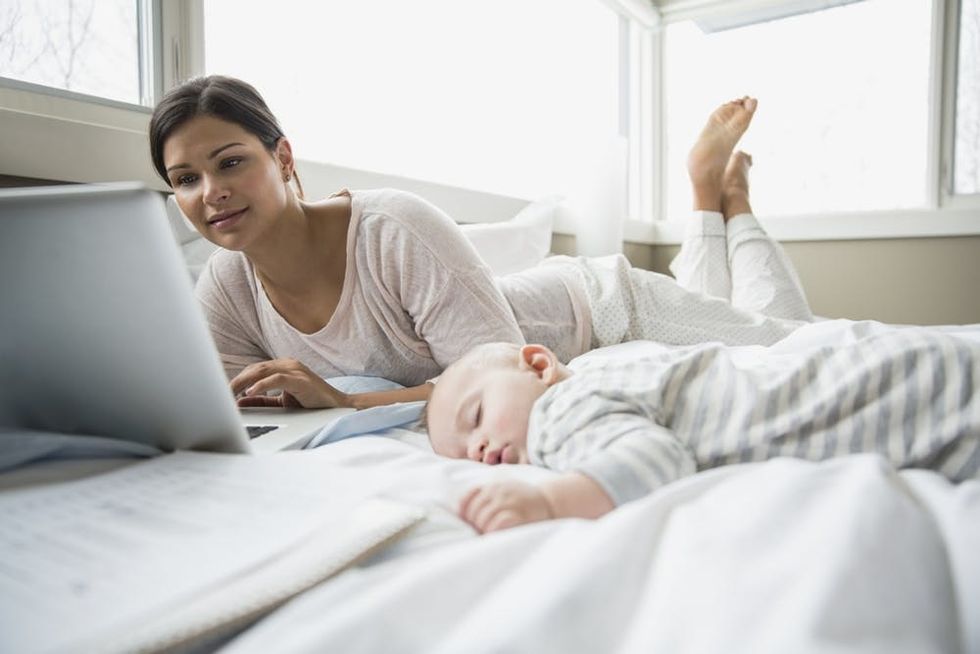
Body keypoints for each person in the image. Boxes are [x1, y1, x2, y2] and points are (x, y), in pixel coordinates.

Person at [150, 76, 807, 410]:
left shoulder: (392, 228)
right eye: (185, 179)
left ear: (283, 156)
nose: (210, 191)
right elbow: (232, 409)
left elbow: (499, 376)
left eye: (230, 162)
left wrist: (346, 401)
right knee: (714, 300)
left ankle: (721, 195)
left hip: (602, 308)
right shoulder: (225, 287)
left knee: (793, 336)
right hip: (570, 312)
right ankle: (711, 199)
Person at [425, 331, 980, 534]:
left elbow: (653, 460)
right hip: (900, 372)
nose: (475, 449)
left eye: (474, 417)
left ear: (539, 366)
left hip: (887, 402)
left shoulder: (560, 413)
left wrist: (548, 499)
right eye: (464, 454)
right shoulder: (608, 378)